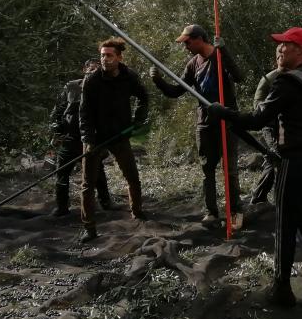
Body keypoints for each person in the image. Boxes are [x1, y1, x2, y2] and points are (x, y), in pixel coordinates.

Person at [207, 27, 302, 317]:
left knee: (285, 226)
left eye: (284, 45)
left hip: (297, 163)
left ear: (300, 50)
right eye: (279, 45)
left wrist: (221, 112)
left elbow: (257, 119)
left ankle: (282, 289)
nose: (278, 50)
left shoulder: (288, 82)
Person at [150, 24, 243, 228]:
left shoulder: (219, 56)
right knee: (207, 169)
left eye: (188, 42)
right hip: (204, 122)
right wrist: (158, 81)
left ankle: (235, 211)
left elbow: (239, 77)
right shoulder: (193, 64)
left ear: (200, 39)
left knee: (230, 170)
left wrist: (224, 50)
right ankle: (211, 212)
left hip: (226, 120)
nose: (186, 46)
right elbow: (176, 91)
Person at [78, 37, 150, 243]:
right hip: (95, 136)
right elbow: (84, 113)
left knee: (132, 177)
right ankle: (89, 228)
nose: (105, 59)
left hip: (120, 135)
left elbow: (144, 97)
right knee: (87, 185)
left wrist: (138, 120)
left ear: (119, 57)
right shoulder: (91, 80)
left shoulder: (129, 77)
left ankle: (137, 212)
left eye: (109, 55)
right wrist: (88, 139)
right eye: (102, 55)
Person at [49, 58, 113, 216]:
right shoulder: (71, 87)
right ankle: (61, 207)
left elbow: (110, 115)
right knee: (62, 173)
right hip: (69, 138)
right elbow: (58, 109)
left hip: (91, 139)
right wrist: (56, 127)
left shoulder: (105, 89)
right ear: (84, 70)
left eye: (96, 71)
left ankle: (106, 203)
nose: (93, 72)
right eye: (90, 69)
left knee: (98, 173)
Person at [248, 47, 282, 205]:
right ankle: (260, 196)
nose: (282, 58)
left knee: (272, 159)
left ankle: (260, 196)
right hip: (270, 126)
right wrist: (271, 110)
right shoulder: (268, 79)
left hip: (286, 126)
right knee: (275, 156)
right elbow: (258, 105)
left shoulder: (295, 77)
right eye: (279, 56)